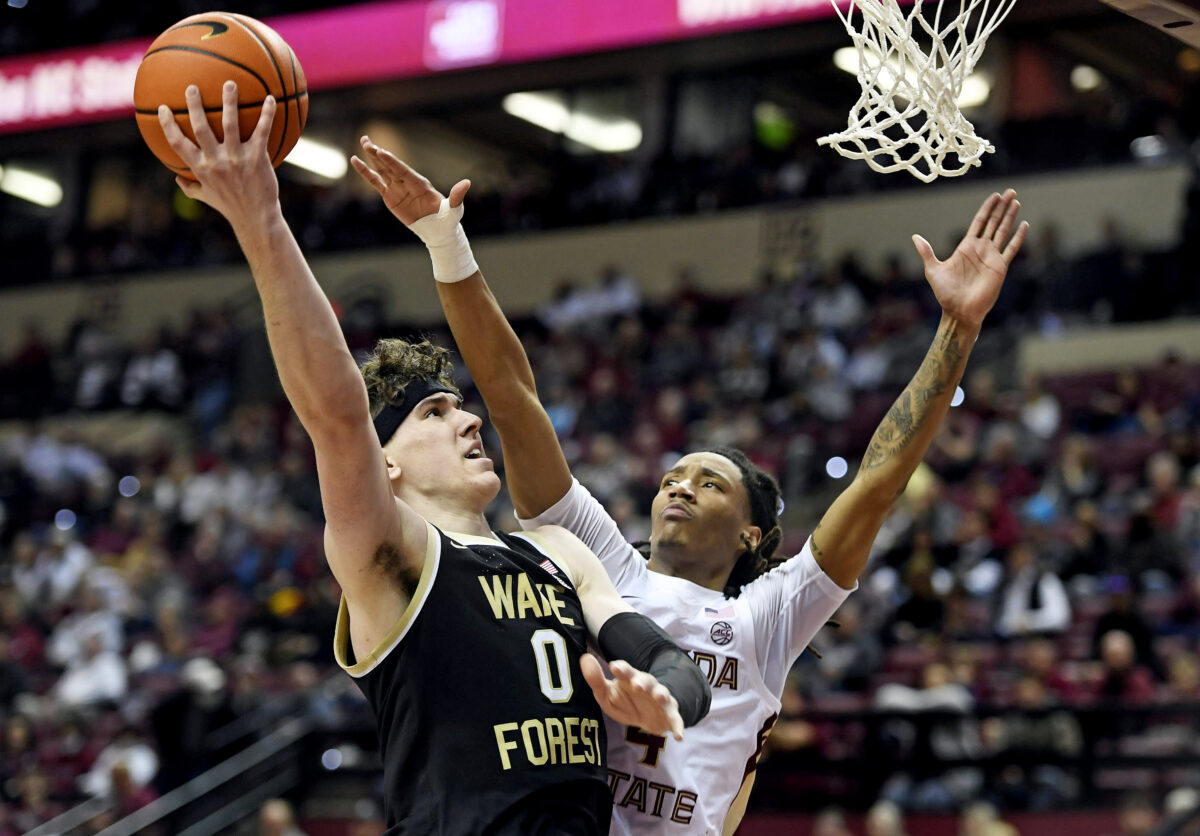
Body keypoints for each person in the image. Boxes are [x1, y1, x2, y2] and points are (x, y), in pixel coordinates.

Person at [352, 138, 1027, 834]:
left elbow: (878, 481)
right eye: (673, 475)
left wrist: (957, 328)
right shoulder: (594, 559)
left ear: (750, 533)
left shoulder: (769, 617)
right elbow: (512, 394)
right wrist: (448, 245)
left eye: (708, 484)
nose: (678, 487)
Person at [155, 84, 710, 836]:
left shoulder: (557, 551)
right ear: (386, 463)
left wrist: (667, 693)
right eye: (433, 412)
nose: (467, 417)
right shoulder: (393, 558)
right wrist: (262, 219)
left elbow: (663, 656)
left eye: (458, 403)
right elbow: (337, 414)